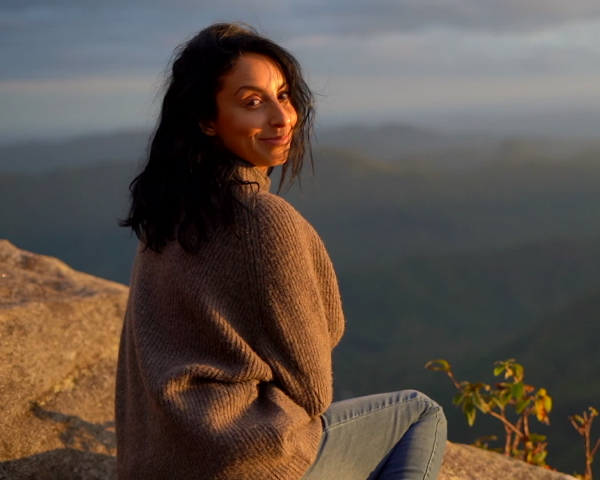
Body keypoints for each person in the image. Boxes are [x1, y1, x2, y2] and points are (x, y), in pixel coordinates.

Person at [116, 22, 446, 480]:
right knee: (420, 411)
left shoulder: (166, 216)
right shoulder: (264, 219)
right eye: (253, 102)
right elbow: (312, 391)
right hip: (239, 463)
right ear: (207, 119)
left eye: (284, 95)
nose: (282, 117)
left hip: (159, 465)